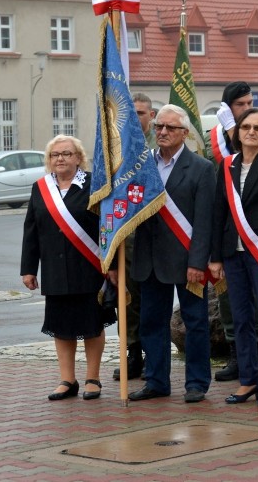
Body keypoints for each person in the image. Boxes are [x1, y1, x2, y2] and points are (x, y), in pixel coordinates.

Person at [127, 104, 215, 403]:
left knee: (195, 323)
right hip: (149, 260)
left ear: (185, 133)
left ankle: (197, 383)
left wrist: (198, 262)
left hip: (187, 259)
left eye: (170, 128)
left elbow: (205, 221)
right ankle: (156, 381)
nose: (163, 132)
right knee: (152, 323)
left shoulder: (201, 168)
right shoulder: (142, 166)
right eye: (159, 127)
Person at [20, 135, 116, 401]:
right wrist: (29, 268)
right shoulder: (41, 188)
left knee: (91, 324)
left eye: (66, 154)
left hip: (88, 267)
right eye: (54, 155)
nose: (60, 159)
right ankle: (67, 379)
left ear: (78, 158)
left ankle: (93, 379)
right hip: (54, 268)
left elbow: (108, 226)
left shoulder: (94, 184)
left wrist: (112, 263)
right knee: (61, 326)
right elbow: (32, 229)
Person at [209, 108, 258, 408]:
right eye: (246, 127)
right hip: (232, 254)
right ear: (238, 132)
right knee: (240, 319)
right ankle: (248, 380)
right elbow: (219, 213)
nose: (251, 132)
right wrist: (215, 257)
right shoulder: (227, 166)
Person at [206, 81, 254, 382]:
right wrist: (226, 133)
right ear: (227, 108)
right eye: (241, 105)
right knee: (228, 296)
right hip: (225, 227)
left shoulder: (257, 133)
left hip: (254, 229)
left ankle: (257, 354)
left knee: (256, 296)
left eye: (250, 103)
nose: (247, 109)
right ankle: (237, 354)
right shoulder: (214, 140)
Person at [113, 92, 156, 382]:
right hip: (127, 234)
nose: (136, 118)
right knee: (126, 298)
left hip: (154, 233)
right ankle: (132, 351)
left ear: (151, 116)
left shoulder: (158, 145)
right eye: (132, 113)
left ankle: (154, 353)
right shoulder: (118, 147)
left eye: (141, 113)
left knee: (152, 298)